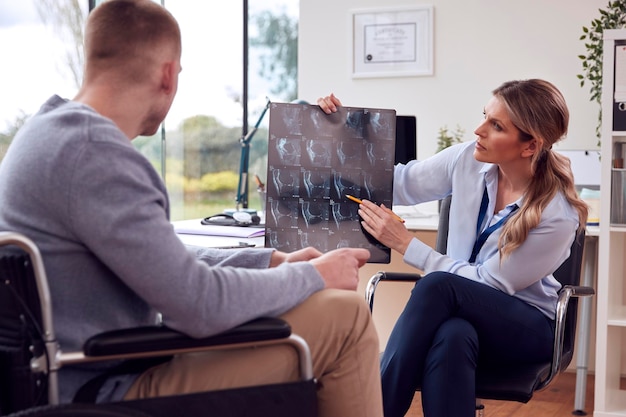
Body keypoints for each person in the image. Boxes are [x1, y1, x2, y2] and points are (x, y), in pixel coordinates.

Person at [0, 2, 384, 416]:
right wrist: (312, 274)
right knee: (346, 317)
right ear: (168, 74)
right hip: (110, 387)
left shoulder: (44, 134)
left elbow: (166, 260)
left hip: (74, 376)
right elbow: (198, 305)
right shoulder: (96, 155)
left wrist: (274, 261)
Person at [318, 79, 588, 417]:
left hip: (527, 328)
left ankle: (375, 411)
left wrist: (404, 243)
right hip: (463, 317)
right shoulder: (467, 160)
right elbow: (397, 184)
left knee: (437, 286)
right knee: (453, 335)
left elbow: (490, 284)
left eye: (496, 126)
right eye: (484, 116)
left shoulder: (556, 213)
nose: (479, 130)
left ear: (530, 146)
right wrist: (340, 133)